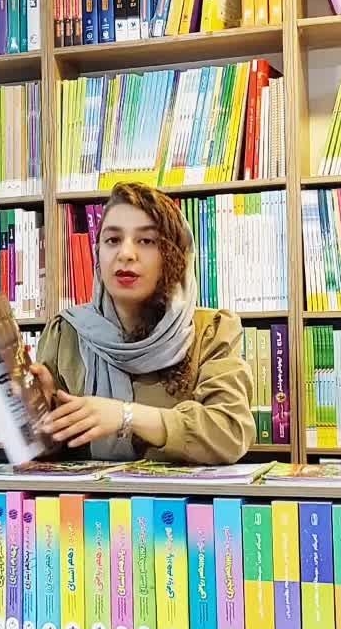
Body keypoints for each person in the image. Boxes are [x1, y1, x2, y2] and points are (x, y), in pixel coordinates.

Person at [30, 182, 257, 465]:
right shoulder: (66, 333)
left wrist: (125, 416)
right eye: (112, 240)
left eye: (146, 241)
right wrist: (39, 413)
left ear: (174, 256)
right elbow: (47, 457)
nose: (125, 253)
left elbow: (229, 432)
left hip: (183, 495)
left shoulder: (211, 331)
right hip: (89, 495)